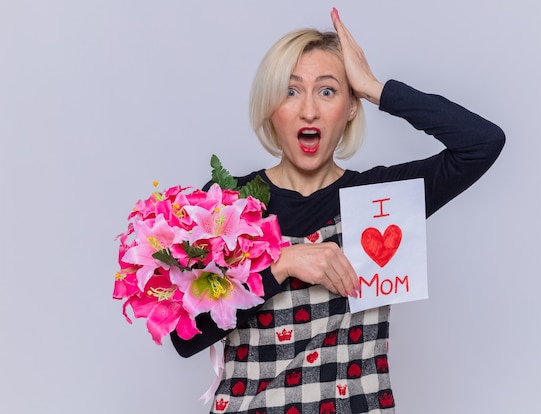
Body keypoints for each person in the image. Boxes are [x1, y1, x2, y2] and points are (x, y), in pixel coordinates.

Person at [171, 8, 505, 414]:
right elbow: (185, 338)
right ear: (270, 108)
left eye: (327, 91)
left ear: (349, 107)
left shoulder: (381, 200)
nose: (308, 110)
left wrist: (375, 88)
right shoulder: (229, 204)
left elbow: (482, 143)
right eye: (291, 91)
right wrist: (281, 264)